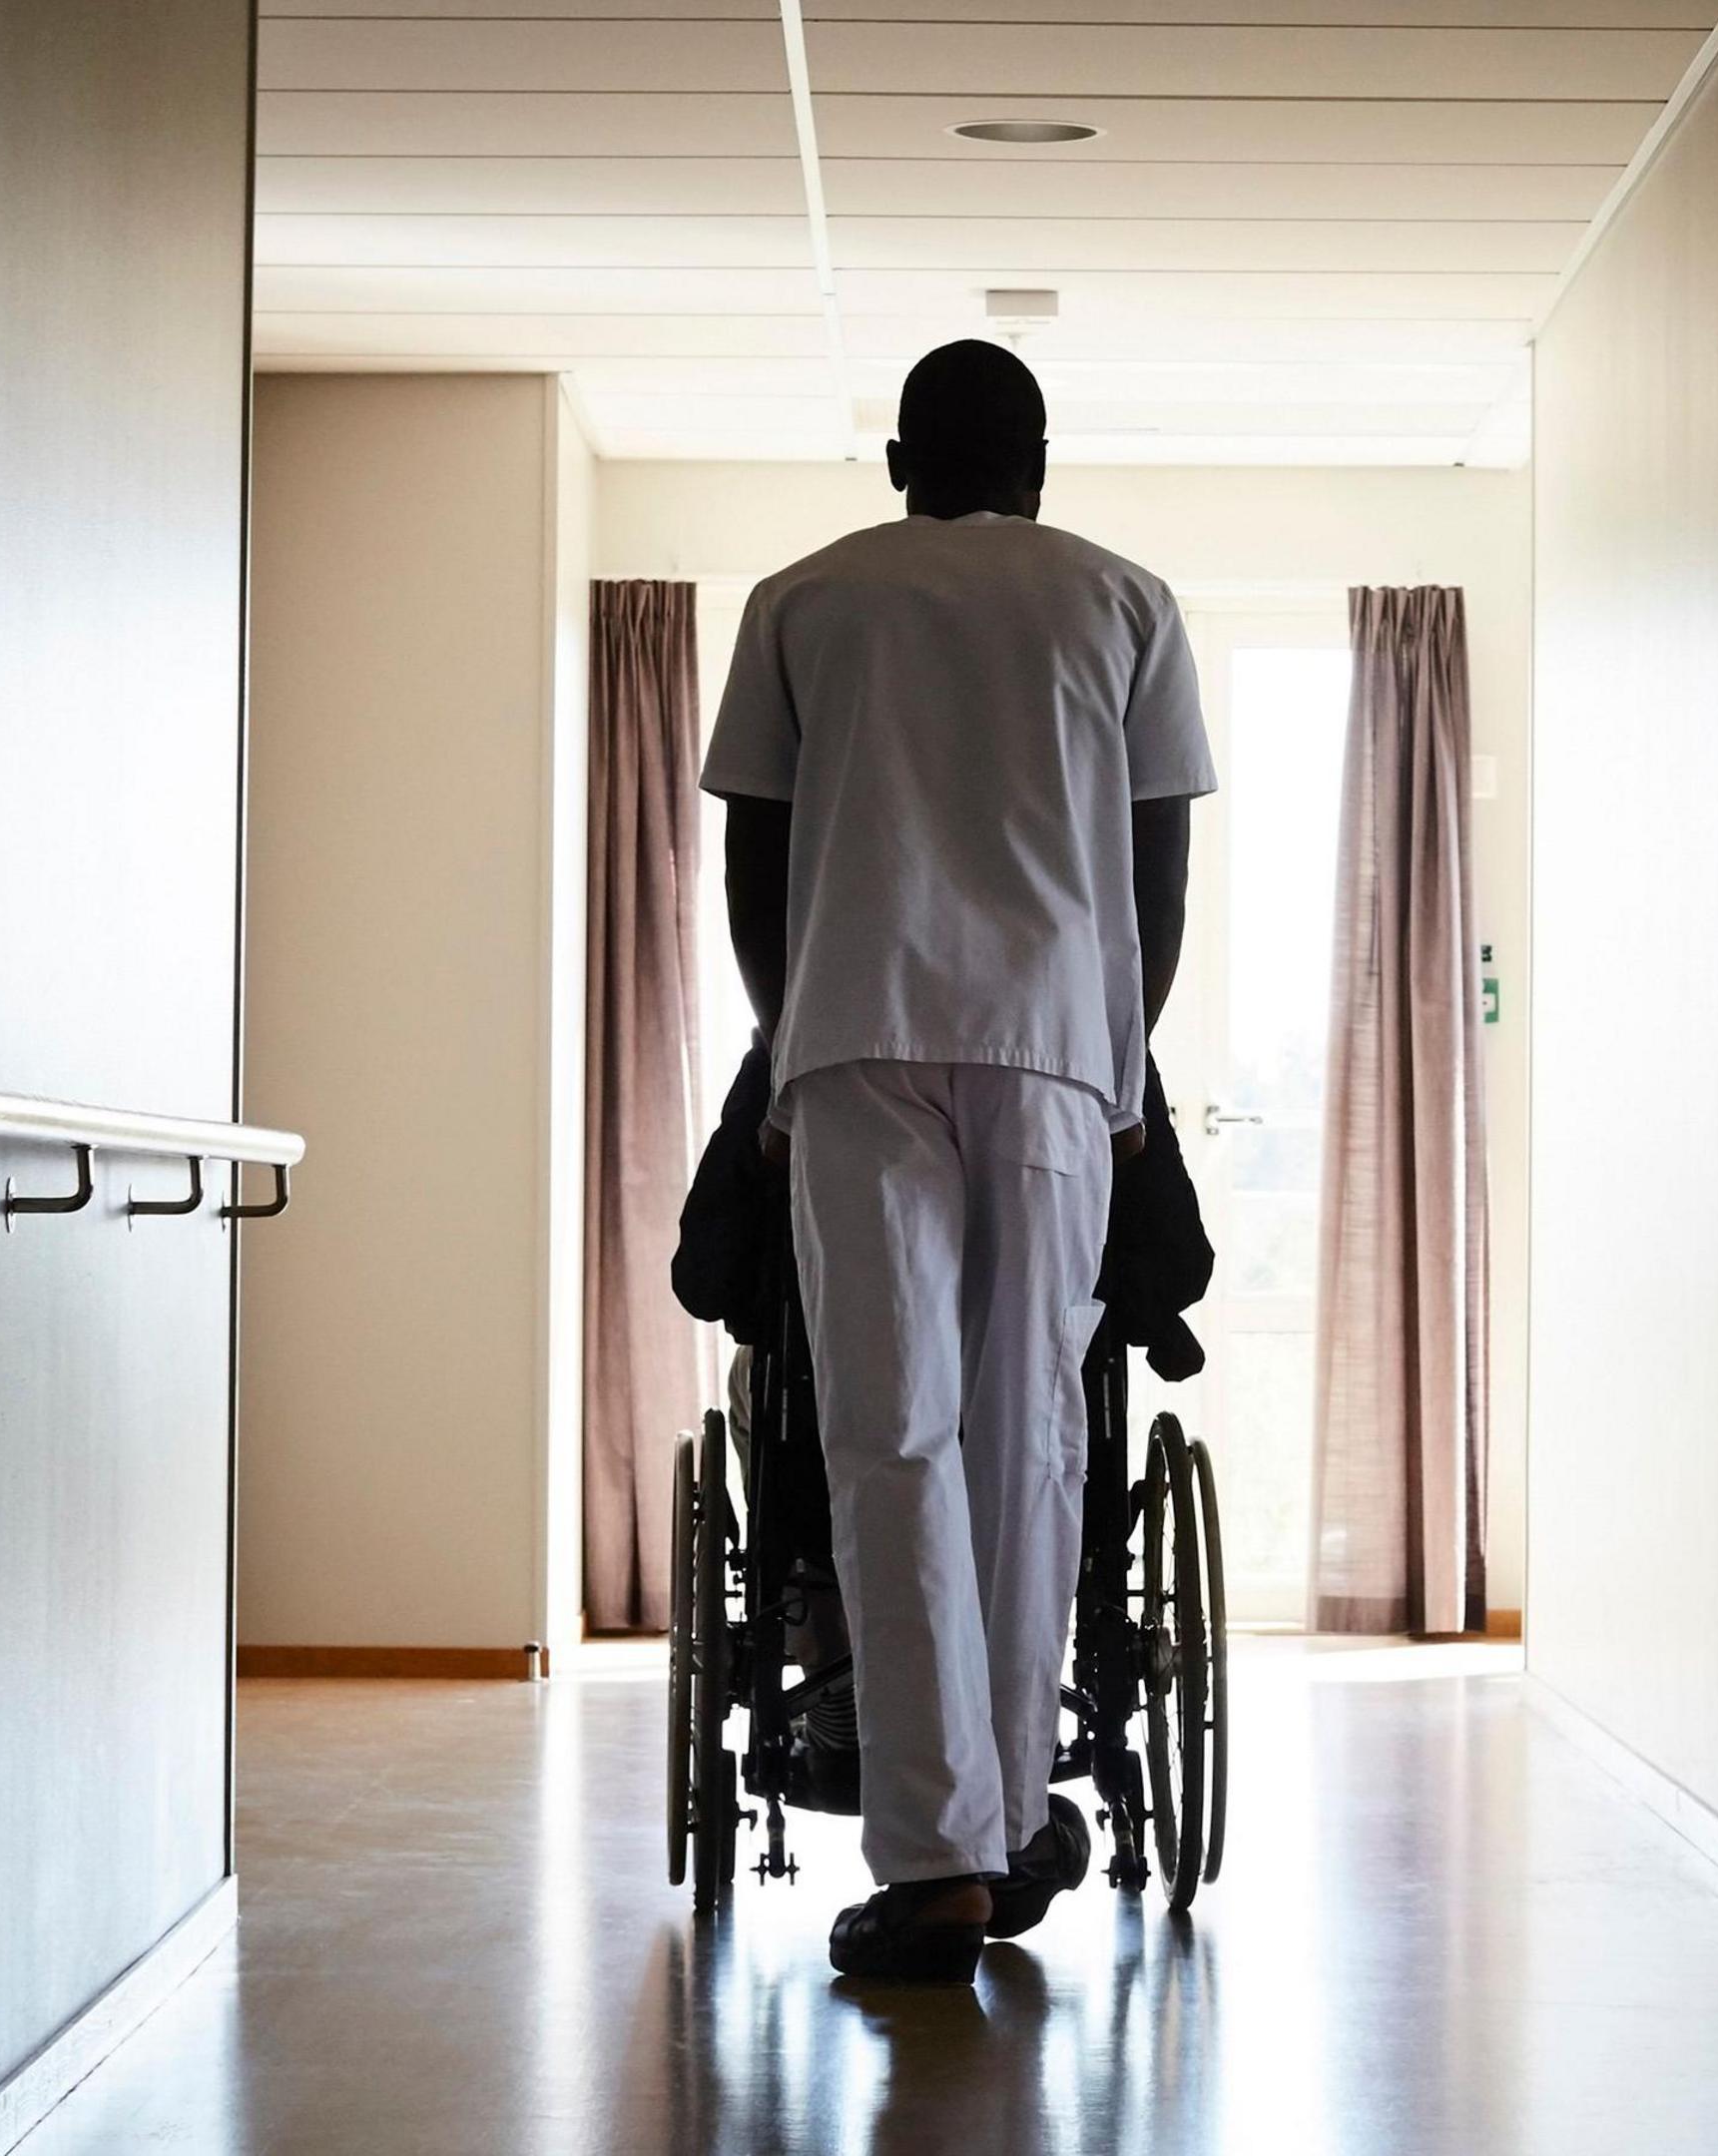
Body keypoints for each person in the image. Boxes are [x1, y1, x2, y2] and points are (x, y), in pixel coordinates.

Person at [703, 338, 1210, 1984]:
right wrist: (1117, 1060)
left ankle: (933, 1861)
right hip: (1059, 1046)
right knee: (1030, 1432)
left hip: (857, 1032)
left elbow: (756, 863)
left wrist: (792, 1040)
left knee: (887, 1429)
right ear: (1041, 457)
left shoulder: (804, 599)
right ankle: (1001, 1832)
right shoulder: (1125, 600)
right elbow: (1159, 874)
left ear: (902, 458)